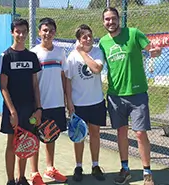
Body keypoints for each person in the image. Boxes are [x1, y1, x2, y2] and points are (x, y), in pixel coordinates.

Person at [99, 7, 162, 185]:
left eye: (112, 19)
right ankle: (125, 169)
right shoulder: (103, 42)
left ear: (119, 19)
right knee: (121, 132)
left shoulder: (134, 33)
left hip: (137, 94)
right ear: (103, 22)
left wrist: (156, 51)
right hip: (115, 96)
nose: (110, 22)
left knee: (140, 133)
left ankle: (147, 171)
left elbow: (152, 49)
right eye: (106, 20)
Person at [0, 18, 42, 185]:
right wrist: (12, 111)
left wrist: (38, 108)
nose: (21, 35)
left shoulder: (32, 56)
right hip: (12, 109)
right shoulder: (6, 56)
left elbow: (35, 85)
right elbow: (3, 87)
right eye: (18, 31)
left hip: (29, 108)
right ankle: (10, 180)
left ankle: (21, 177)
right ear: (12, 32)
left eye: (24, 31)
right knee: (11, 143)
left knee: (25, 141)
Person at [64, 24, 106, 182]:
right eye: (84, 37)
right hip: (79, 104)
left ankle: (95, 165)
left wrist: (82, 51)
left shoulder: (97, 52)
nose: (88, 39)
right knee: (79, 136)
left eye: (90, 35)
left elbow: (96, 68)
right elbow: (68, 81)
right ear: (78, 40)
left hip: (96, 101)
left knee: (95, 134)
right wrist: (69, 102)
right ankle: (79, 166)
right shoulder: (72, 57)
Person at [30, 17, 68, 184]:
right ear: (39, 32)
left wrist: (68, 101)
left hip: (57, 103)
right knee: (36, 137)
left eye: (51, 30)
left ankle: (50, 169)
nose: (48, 33)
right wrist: (36, 105)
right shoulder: (33, 53)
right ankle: (34, 173)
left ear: (55, 32)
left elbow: (64, 77)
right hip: (39, 105)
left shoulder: (60, 52)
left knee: (51, 136)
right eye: (45, 30)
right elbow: (32, 82)